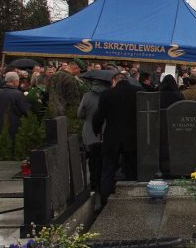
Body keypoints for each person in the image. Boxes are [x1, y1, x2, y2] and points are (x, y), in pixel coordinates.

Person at [93, 73, 142, 206]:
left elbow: (99, 116)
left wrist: (96, 130)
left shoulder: (107, 94)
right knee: (133, 169)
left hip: (112, 137)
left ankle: (105, 200)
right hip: (132, 137)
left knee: (108, 170)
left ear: (114, 81)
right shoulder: (138, 92)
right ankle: (134, 198)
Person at [78, 75, 108, 192]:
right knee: (104, 158)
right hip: (105, 129)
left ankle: (94, 182)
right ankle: (103, 182)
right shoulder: (107, 95)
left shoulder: (87, 96)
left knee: (92, 157)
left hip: (89, 130)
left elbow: (80, 113)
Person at [0, 72, 30, 140]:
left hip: (0, 124)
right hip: (15, 126)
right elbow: (26, 110)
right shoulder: (18, 94)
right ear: (15, 81)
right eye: (18, 81)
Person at [47, 58, 86, 123]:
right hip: (67, 115)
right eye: (80, 70)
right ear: (76, 68)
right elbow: (74, 100)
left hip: (52, 112)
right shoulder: (71, 80)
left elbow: (47, 91)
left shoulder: (54, 76)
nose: (79, 73)